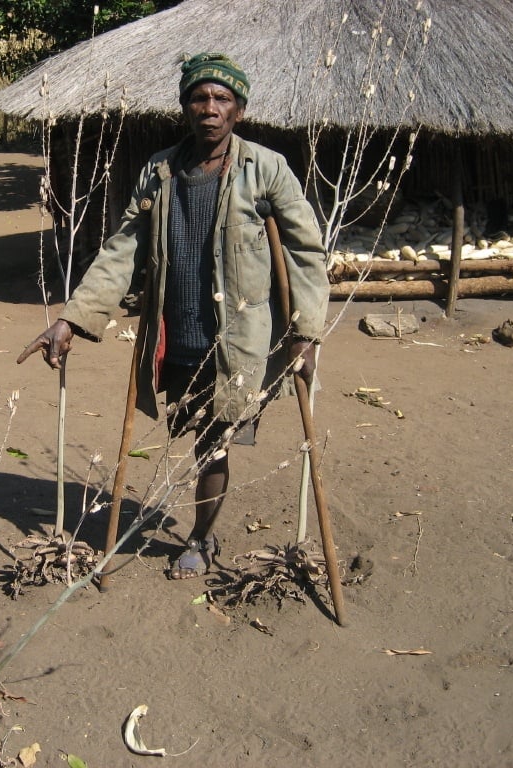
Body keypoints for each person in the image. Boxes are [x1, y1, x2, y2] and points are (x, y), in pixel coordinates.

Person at [18, 53, 329, 579]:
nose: (210, 108)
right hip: (177, 334)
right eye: (199, 97)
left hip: (239, 339)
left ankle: (201, 539)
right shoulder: (159, 171)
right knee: (190, 436)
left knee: (215, 444)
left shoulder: (266, 168)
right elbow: (122, 250)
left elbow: (304, 253)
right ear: (184, 106)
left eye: (221, 99)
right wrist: (73, 318)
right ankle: (199, 526)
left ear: (239, 110)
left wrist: (304, 330)